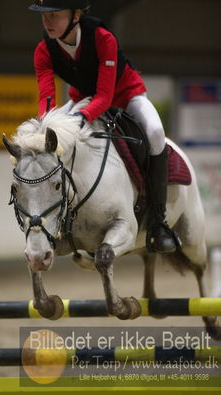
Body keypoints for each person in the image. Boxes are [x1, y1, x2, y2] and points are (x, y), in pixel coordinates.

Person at [29, 0, 179, 254]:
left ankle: (159, 222)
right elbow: (47, 99)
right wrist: (46, 126)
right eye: (44, 16)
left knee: (154, 132)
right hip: (83, 99)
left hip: (126, 95)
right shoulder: (43, 50)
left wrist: (83, 117)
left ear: (76, 15)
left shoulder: (102, 38)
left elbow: (105, 96)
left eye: (54, 15)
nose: (47, 22)